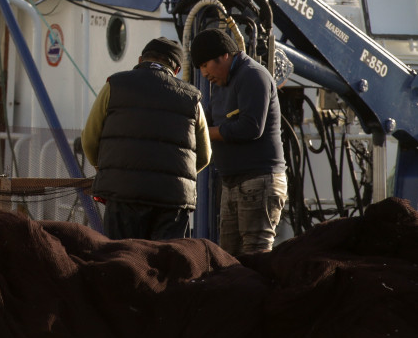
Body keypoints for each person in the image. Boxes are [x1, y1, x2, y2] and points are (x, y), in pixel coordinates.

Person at [81, 37, 211, 240]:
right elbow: (204, 155)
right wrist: (176, 176)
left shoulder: (114, 85)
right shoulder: (192, 98)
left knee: (122, 260)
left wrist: (107, 169)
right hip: (172, 200)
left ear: (141, 59)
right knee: (166, 265)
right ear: (176, 69)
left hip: (123, 194)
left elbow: (89, 139)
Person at [190, 28, 288, 255]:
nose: (204, 73)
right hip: (233, 183)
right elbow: (205, 120)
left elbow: (251, 127)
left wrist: (205, 133)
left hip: (259, 181)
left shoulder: (253, 75)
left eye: (205, 65)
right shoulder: (221, 85)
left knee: (255, 256)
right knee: (230, 258)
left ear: (224, 55)